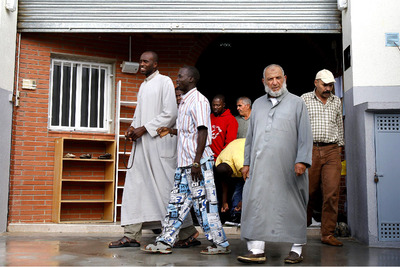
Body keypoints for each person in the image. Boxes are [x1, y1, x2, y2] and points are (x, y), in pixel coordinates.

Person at [109, 51, 198, 249]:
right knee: (135, 187)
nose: (142, 64)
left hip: (159, 145)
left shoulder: (165, 82)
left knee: (166, 190)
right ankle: (131, 234)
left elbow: (170, 113)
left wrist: (145, 129)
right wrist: (132, 128)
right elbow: (140, 114)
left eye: (145, 61)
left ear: (155, 64)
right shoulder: (143, 85)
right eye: (140, 61)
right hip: (142, 145)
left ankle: (188, 233)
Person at [142, 66, 231, 255]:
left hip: (197, 164)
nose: (177, 79)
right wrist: (171, 131)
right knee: (176, 204)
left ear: (191, 79)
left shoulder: (199, 101)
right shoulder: (184, 102)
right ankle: (165, 241)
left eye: (180, 76)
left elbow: (203, 131)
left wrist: (197, 162)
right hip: (184, 164)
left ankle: (220, 244)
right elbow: (189, 131)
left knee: (205, 205)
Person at [237, 64, 313, 264]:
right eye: (270, 79)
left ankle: (296, 248)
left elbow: (305, 135)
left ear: (285, 78)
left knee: (293, 205)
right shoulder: (258, 104)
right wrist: (246, 163)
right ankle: (256, 249)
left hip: (289, 167)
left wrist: (302, 160)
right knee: (256, 204)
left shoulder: (297, 103)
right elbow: (250, 137)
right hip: (260, 167)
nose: (275, 82)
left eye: (278, 78)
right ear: (263, 82)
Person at [301, 69, 345, 247]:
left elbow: (339, 125)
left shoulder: (336, 101)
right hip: (311, 149)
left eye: (331, 85)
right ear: (316, 83)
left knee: (332, 192)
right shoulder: (304, 99)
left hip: (332, 150)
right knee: (307, 191)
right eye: (325, 84)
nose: (328, 88)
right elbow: (298, 125)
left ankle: (327, 233)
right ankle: (300, 229)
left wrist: (340, 148)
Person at [215, 138, 246, 223]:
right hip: (234, 149)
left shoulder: (240, 162)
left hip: (249, 151)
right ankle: (235, 214)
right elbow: (223, 183)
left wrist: (243, 201)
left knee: (240, 187)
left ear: (230, 172)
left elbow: (251, 182)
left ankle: (239, 212)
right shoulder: (219, 162)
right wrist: (224, 203)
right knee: (237, 190)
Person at [210, 95, 238, 159]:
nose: (215, 107)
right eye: (213, 105)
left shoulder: (231, 119)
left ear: (223, 105)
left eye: (218, 105)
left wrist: (222, 156)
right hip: (207, 157)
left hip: (220, 157)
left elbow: (230, 142)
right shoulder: (209, 117)